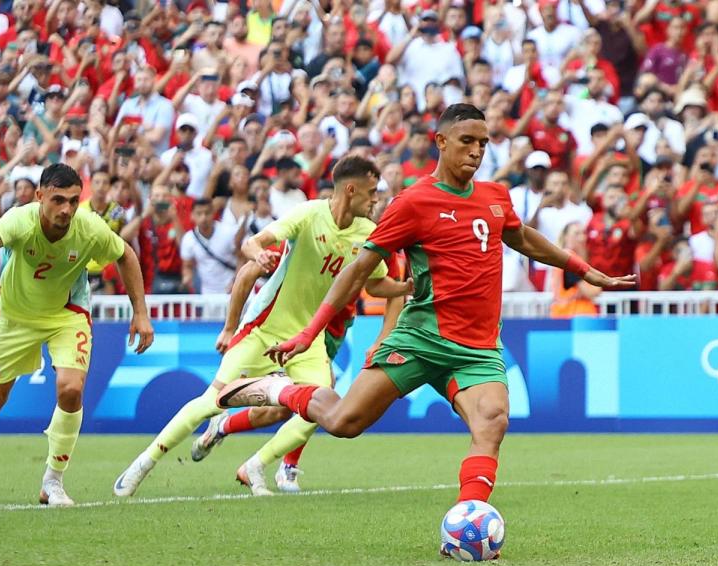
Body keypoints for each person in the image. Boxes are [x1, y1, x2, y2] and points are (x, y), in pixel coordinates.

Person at [215, 105, 634, 534]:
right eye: (467, 141)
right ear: (441, 142)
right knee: (344, 423)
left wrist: (581, 269)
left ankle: (467, 524)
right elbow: (358, 269)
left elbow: (523, 237)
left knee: (492, 421)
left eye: (483, 144)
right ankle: (281, 390)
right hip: (420, 337)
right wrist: (309, 332)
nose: (476, 151)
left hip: (477, 348)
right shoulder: (413, 202)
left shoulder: (494, 197)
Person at [112, 154, 412, 497]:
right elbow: (252, 243)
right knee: (212, 400)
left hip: (306, 339)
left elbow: (375, 285)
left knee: (320, 408)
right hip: (263, 327)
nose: (376, 200)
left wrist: (405, 288)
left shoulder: (367, 233)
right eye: (372, 192)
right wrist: (258, 254)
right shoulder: (309, 213)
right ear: (350, 189)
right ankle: (144, 463)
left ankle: (259, 463)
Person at [0, 163, 154, 507]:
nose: (66, 209)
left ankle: (53, 481)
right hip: (15, 315)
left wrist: (140, 313)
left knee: (71, 389)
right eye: (57, 200)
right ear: (40, 197)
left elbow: (126, 255)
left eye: (72, 200)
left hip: (66, 314)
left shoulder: (88, 227)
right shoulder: (21, 219)